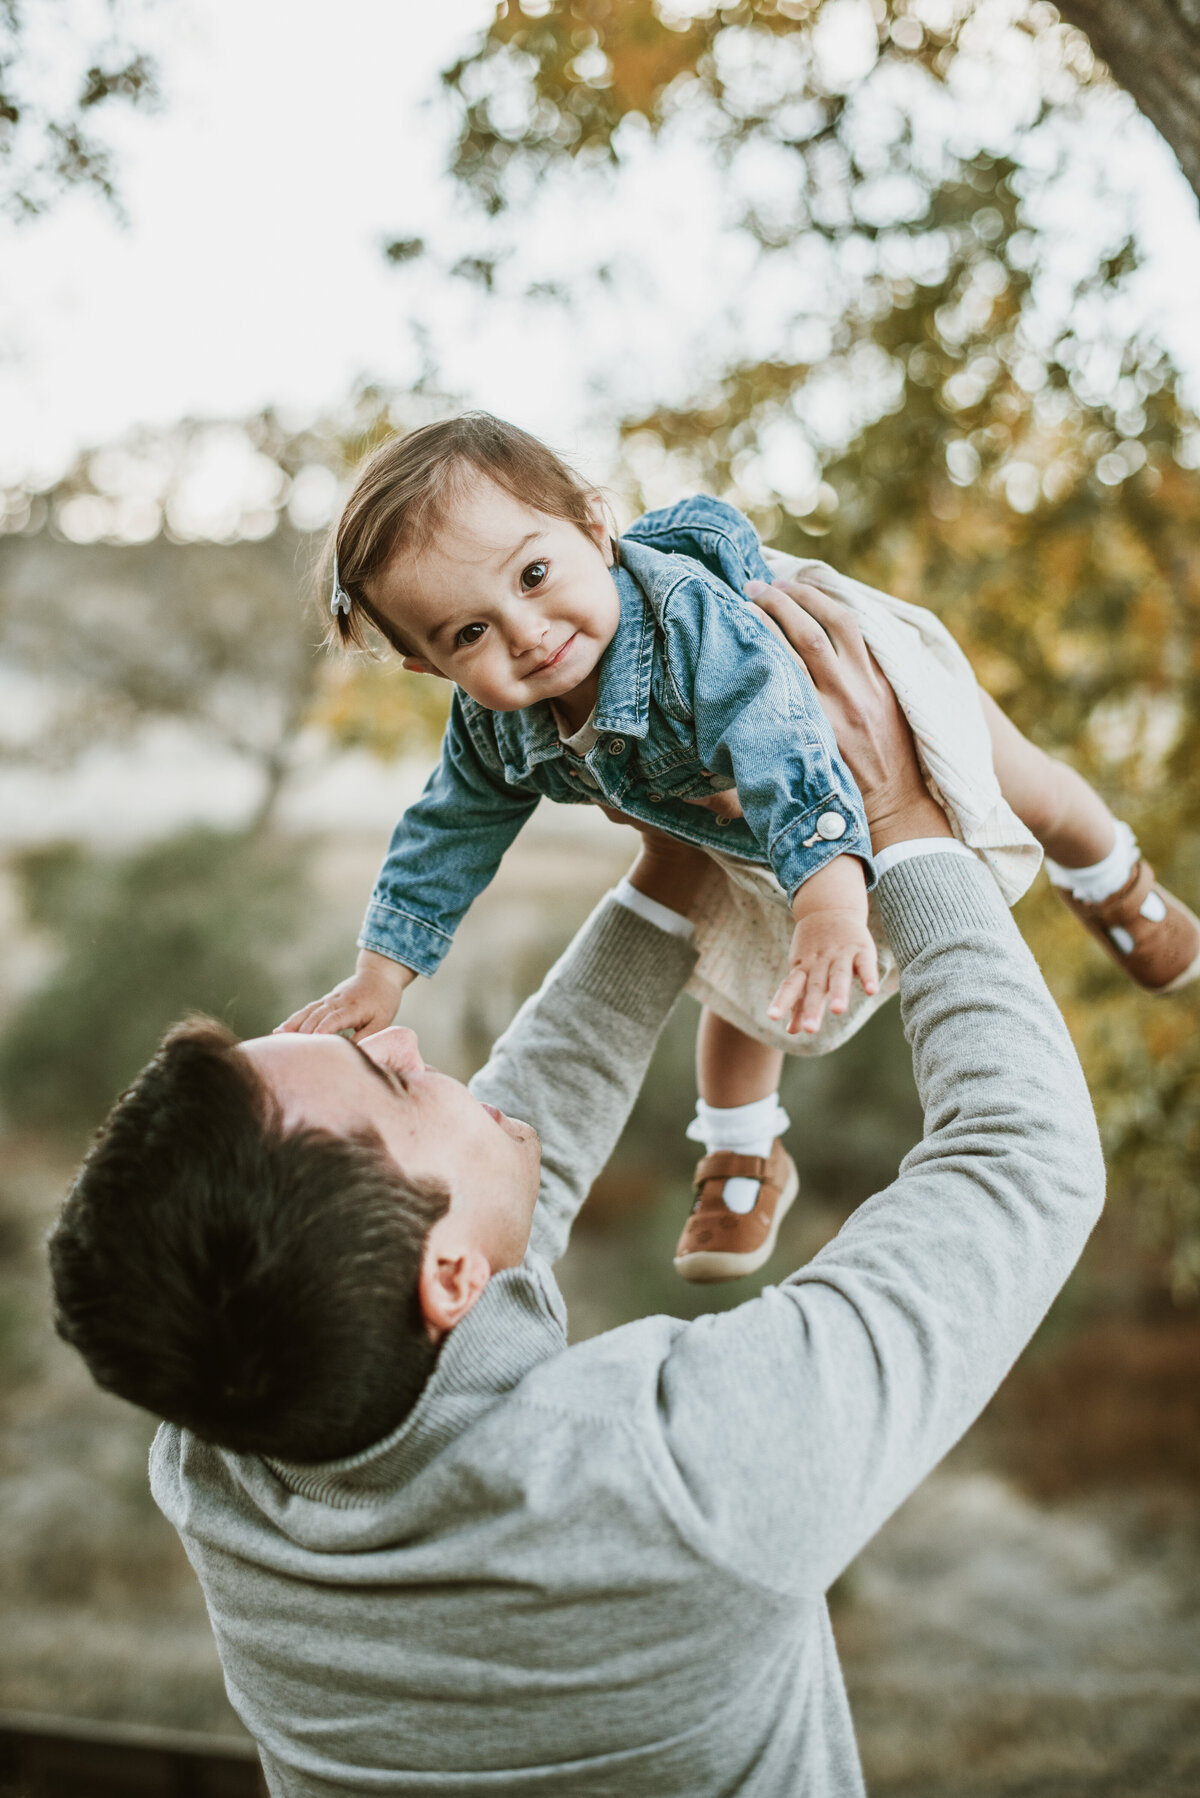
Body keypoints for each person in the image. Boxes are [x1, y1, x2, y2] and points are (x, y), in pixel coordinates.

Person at [50, 580, 1106, 1798]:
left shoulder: (227, 1455)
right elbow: (1022, 1160)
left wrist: (672, 873)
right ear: (443, 1277)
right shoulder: (685, 1485)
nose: (406, 1043)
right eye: (387, 1085)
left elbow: (489, 1170)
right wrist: (908, 823)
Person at [280, 414, 1197, 1282]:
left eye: (531, 576)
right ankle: (743, 1140)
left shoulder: (691, 631)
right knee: (737, 958)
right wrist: (382, 973)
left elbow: (783, 744)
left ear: (595, 528)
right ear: (430, 666)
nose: (527, 634)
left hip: (848, 690)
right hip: (735, 810)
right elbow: (448, 828)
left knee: (1026, 785)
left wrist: (828, 900)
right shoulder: (490, 726)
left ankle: (1113, 879)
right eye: (470, 633)